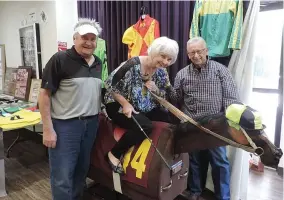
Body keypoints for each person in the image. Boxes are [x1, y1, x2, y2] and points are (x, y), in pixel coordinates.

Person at [38, 18, 103, 200]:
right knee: (62, 175)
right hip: (65, 126)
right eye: (84, 37)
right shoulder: (60, 59)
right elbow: (44, 95)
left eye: (93, 39)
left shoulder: (98, 62)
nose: (89, 42)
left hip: (91, 124)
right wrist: (47, 129)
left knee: (81, 172)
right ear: (75, 38)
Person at [168, 37, 239, 200]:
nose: (196, 55)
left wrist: (228, 122)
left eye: (199, 51)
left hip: (216, 125)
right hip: (192, 125)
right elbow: (176, 97)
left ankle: (224, 196)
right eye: (192, 52)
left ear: (206, 51)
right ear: (187, 54)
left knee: (220, 162)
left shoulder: (221, 70)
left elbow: (231, 98)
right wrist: (162, 86)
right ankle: (195, 192)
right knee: (194, 161)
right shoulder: (182, 74)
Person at [104, 36, 179, 174]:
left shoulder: (161, 72)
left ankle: (159, 155)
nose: (165, 62)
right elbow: (109, 84)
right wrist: (125, 104)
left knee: (167, 118)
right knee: (145, 126)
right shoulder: (132, 64)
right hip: (117, 103)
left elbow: (167, 95)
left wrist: (156, 89)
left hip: (142, 104)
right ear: (154, 51)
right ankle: (114, 153)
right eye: (163, 56)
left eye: (169, 59)